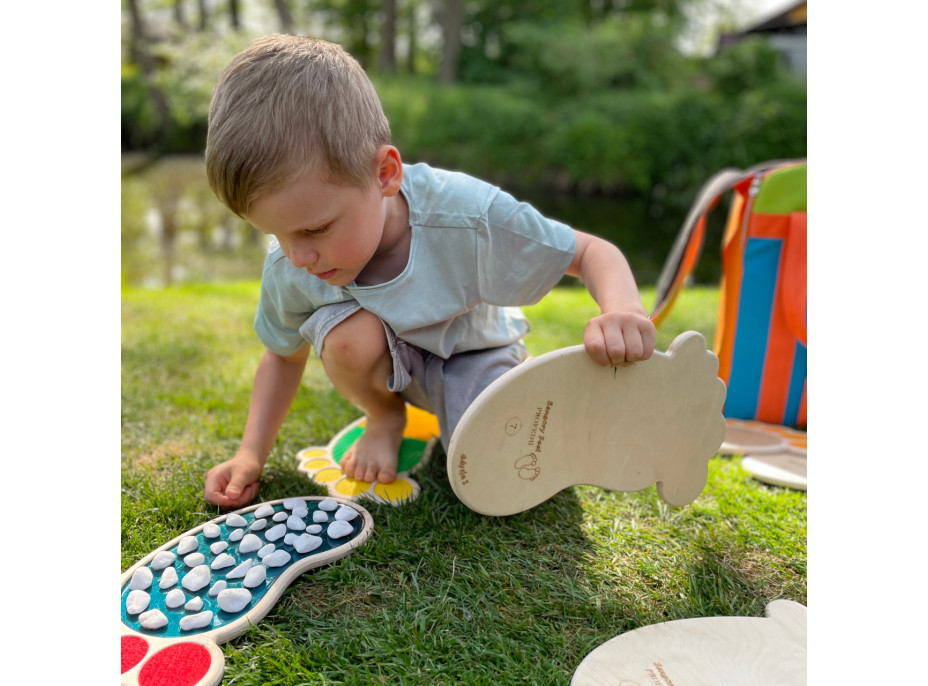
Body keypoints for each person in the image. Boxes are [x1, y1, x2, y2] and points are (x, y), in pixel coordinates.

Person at [202, 34, 656, 509]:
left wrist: (622, 309)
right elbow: (282, 355)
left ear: (384, 174)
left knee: (506, 465)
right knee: (346, 338)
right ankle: (385, 418)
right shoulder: (292, 261)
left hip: (473, 354)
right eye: (275, 234)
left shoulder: (467, 215)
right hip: (387, 369)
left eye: (316, 229)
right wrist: (250, 455)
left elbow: (589, 252)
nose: (298, 258)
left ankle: (499, 399)